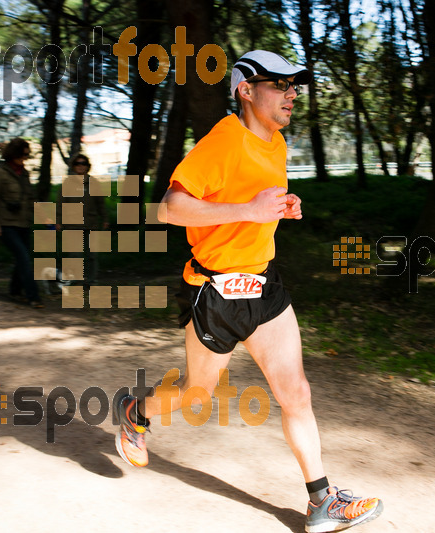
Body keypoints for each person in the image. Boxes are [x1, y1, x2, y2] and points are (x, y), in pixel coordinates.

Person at [113, 51, 383, 532]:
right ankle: (137, 411)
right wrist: (248, 211)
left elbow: (258, 201)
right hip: (214, 290)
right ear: (246, 90)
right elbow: (171, 209)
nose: (291, 94)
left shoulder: (276, 142)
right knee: (197, 392)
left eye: (293, 86)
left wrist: (281, 206)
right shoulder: (223, 139)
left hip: (263, 282)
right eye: (279, 85)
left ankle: (322, 501)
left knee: (296, 392)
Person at [0, 138, 43, 309]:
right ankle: (34, 296)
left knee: (22, 258)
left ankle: (15, 290)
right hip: (5, 223)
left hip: (23, 222)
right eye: (22, 154)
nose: (25, 157)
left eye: (27, 154)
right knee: (24, 259)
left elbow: (30, 197)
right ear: (14, 153)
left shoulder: (23, 173)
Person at [57, 153, 108, 286]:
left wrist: (105, 219)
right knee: (75, 254)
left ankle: (91, 280)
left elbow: (100, 203)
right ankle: (75, 279)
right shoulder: (67, 183)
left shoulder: (94, 183)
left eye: (83, 163)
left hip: (91, 224)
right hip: (72, 225)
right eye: (77, 164)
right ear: (73, 166)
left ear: (87, 166)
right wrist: (58, 221)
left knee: (92, 255)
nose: (80, 166)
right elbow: (60, 203)